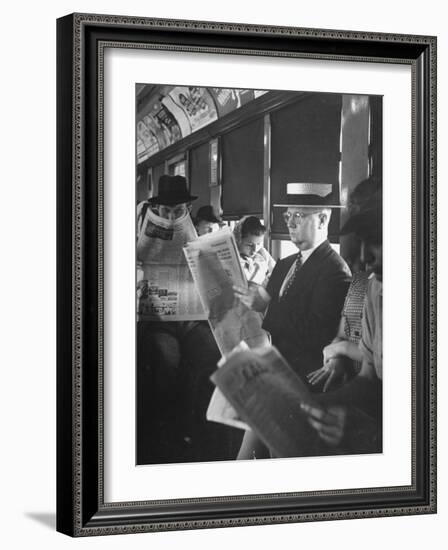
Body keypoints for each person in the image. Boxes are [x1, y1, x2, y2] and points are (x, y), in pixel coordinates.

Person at [235, 183, 351, 460]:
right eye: (288, 217)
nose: (291, 224)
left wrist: (267, 306)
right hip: (275, 369)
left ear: (323, 220)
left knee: (274, 454)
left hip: (302, 378)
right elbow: (268, 306)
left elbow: (316, 331)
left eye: (299, 217)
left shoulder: (334, 270)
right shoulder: (285, 264)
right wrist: (253, 301)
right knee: (244, 454)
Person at [137, 175, 237, 463]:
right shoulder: (143, 236)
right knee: (166, 357)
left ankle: (198, 426)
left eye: (177, 211)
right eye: (166, 212)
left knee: (209, 353)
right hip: (159, 320)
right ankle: (166, 426)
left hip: (193, 319)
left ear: (186, 211)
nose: (171, 217)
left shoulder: (199, 239)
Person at [302, 191, 383, 453]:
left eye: (378, 238)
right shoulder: (374, 290)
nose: (364, 258)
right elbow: (369, 380)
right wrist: (310, 405)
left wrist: (365, 430)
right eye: (361, 240)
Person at [233, 216, 275, 285]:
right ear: (238, 240)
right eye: (249, 245)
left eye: (258, 244)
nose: (255, 250)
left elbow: (276, 272)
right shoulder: (232, 257)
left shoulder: (262, 252)